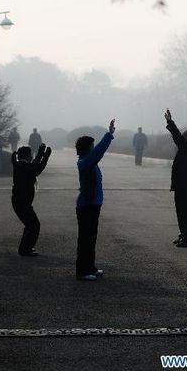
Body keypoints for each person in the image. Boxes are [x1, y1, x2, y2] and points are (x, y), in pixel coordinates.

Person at [75, 119, 116, 281]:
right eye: (91, 146)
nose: (93, 148)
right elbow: (99, 152)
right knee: (86, 239)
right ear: (88, 148)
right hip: (87, 205)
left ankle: (90, 267)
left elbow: (96, 152)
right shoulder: (86, 162)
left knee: (91, 238)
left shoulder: (87, 161)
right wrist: (109, 135)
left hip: (92, 204)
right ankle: (83, 271)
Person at [165, 109, 187, 248]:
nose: (182, 139)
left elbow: (177, 137)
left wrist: (170, 123)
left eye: (184, 137)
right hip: (181, 184)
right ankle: (183, 234)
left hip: (186, 186)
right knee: (180, 211)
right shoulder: (185, 148)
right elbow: (178, 138)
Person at [11, 143, 52, 256]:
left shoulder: (21, 165)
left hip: (22, 201)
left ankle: (26, 248)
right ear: (25, 155)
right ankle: (25, 249)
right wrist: (42, 155)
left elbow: (35, 168)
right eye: (30, 154)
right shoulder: (21, 166)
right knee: (33, 225)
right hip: (21, 202)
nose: (32, 156)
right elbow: (35, 168)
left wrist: (44, 156)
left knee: (31, 225)